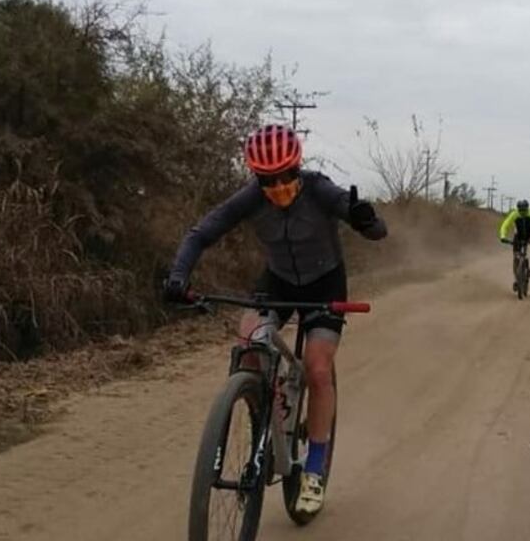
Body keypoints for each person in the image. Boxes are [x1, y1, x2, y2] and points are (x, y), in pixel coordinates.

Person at [164, 123, 387, 515]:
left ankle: (314, 471)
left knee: (317, 370)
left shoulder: (319, 189)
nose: (279, 187)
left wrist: (366, 221)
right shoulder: (250, 198)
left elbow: (373, 230)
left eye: (286, 176)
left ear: (297, 168)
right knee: (249, 346)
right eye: (268, 180)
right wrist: (179, 276)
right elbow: (200, 234)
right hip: (278, 283)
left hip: (325, 283)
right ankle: (261, 414)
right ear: (256, 177)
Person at [498, 200, 530, 278]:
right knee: (516, 256)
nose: (522, 212)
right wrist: (503, 236)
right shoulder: (514, 214)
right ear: (518, 209)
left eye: (524, 210)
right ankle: (516, 276)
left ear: (527, 208)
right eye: (520, 210)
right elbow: (505, 225)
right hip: (518, 235)